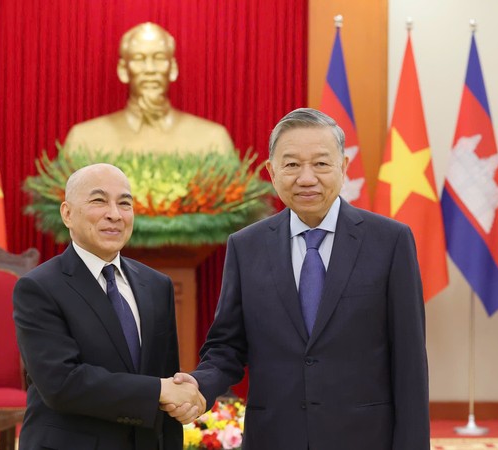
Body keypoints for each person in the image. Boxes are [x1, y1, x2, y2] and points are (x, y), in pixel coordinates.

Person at [166, 108, 431, 449]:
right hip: (274, 437)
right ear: (271, 171)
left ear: (344, 167)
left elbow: (409, 360)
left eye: (321, 163)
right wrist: (200, 387)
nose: (306, 178)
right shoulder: (246, 246)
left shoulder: (390, 241)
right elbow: (227, 346)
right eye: (291, 164)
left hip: (364, 438)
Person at [13, 163, 204, 450]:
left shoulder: (155, 285)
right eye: (99, 201)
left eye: (124, 203)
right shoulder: (39, 288)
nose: (114, 214)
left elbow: (165, 378)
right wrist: (159, 391)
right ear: (67, 213)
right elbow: (62, 384)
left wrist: (176, 400)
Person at [63, 22, 234, 155]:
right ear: (123, 70)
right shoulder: (84, 139)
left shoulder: (213, 140)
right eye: (139, 58)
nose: (150, 69)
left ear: (172, 68)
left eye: (159, 58)